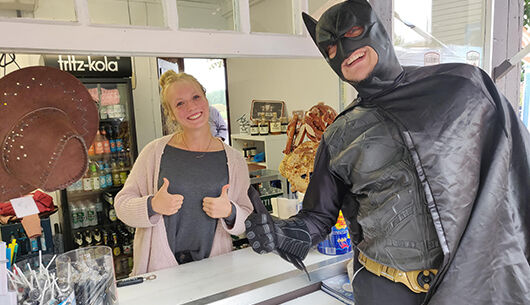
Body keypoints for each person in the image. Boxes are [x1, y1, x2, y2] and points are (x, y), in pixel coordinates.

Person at [245, 1, 530, 305]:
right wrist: (285, 233)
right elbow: (318, 216)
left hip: (469, 284)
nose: (342, 50)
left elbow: (515, 165)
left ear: (376, 29)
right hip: (384, 290)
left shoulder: (461, 87)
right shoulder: (340, 134)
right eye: (329, 48)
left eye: (352, 31)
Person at [115, 71, 253, 275]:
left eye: (196, 97)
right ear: (170, 113)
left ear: (206, 99)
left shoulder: (234, 160)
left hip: (216, 270)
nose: (191, 107)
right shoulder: (154, 152)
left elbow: (247, 218)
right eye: (180, 103)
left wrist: (230, 212)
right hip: (160, 271)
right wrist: (152, 205)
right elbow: (122, 205)